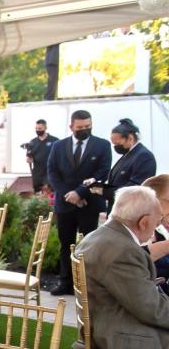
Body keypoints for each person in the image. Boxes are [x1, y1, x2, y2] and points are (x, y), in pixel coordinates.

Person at [74, 186, 169, 349]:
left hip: (106, 327)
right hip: (116, 338)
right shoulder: (121, 249)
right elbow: (151, 309)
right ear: (144, 221)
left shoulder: (101, 235)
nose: (158, 226)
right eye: (159, 220)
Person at [46, 110, 111, 296]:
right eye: (80, 127)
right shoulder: (58, 146)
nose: (84, 130)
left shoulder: (102, 145)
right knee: (65, 244)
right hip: (65, 204)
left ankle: (87, 285)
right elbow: (52, 173)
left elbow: (102, 172)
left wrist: (80, 192)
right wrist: (69, 194)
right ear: (71, 127)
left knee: (89, 245)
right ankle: (65, 283)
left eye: (88, 127)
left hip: (89, 203)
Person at [93, 118, 156, 213]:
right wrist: (99, 186)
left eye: (118, 143)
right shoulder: (127, 155)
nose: (115, 147)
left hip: (130, 212)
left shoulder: (143, 156)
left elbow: (135, 188)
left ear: (130, 138)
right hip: (118, 211)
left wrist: (104, 191)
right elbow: (118, 182)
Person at [24, 119, 58, 193]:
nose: (38, 130)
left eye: (40, 128)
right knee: (37, 193)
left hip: (50, 172)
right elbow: (29, 158)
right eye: (36, 128)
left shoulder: (55, 141)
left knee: (49, 193)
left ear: (45, 128)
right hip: (37, 173)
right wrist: (29, 159)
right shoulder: (32, 142)